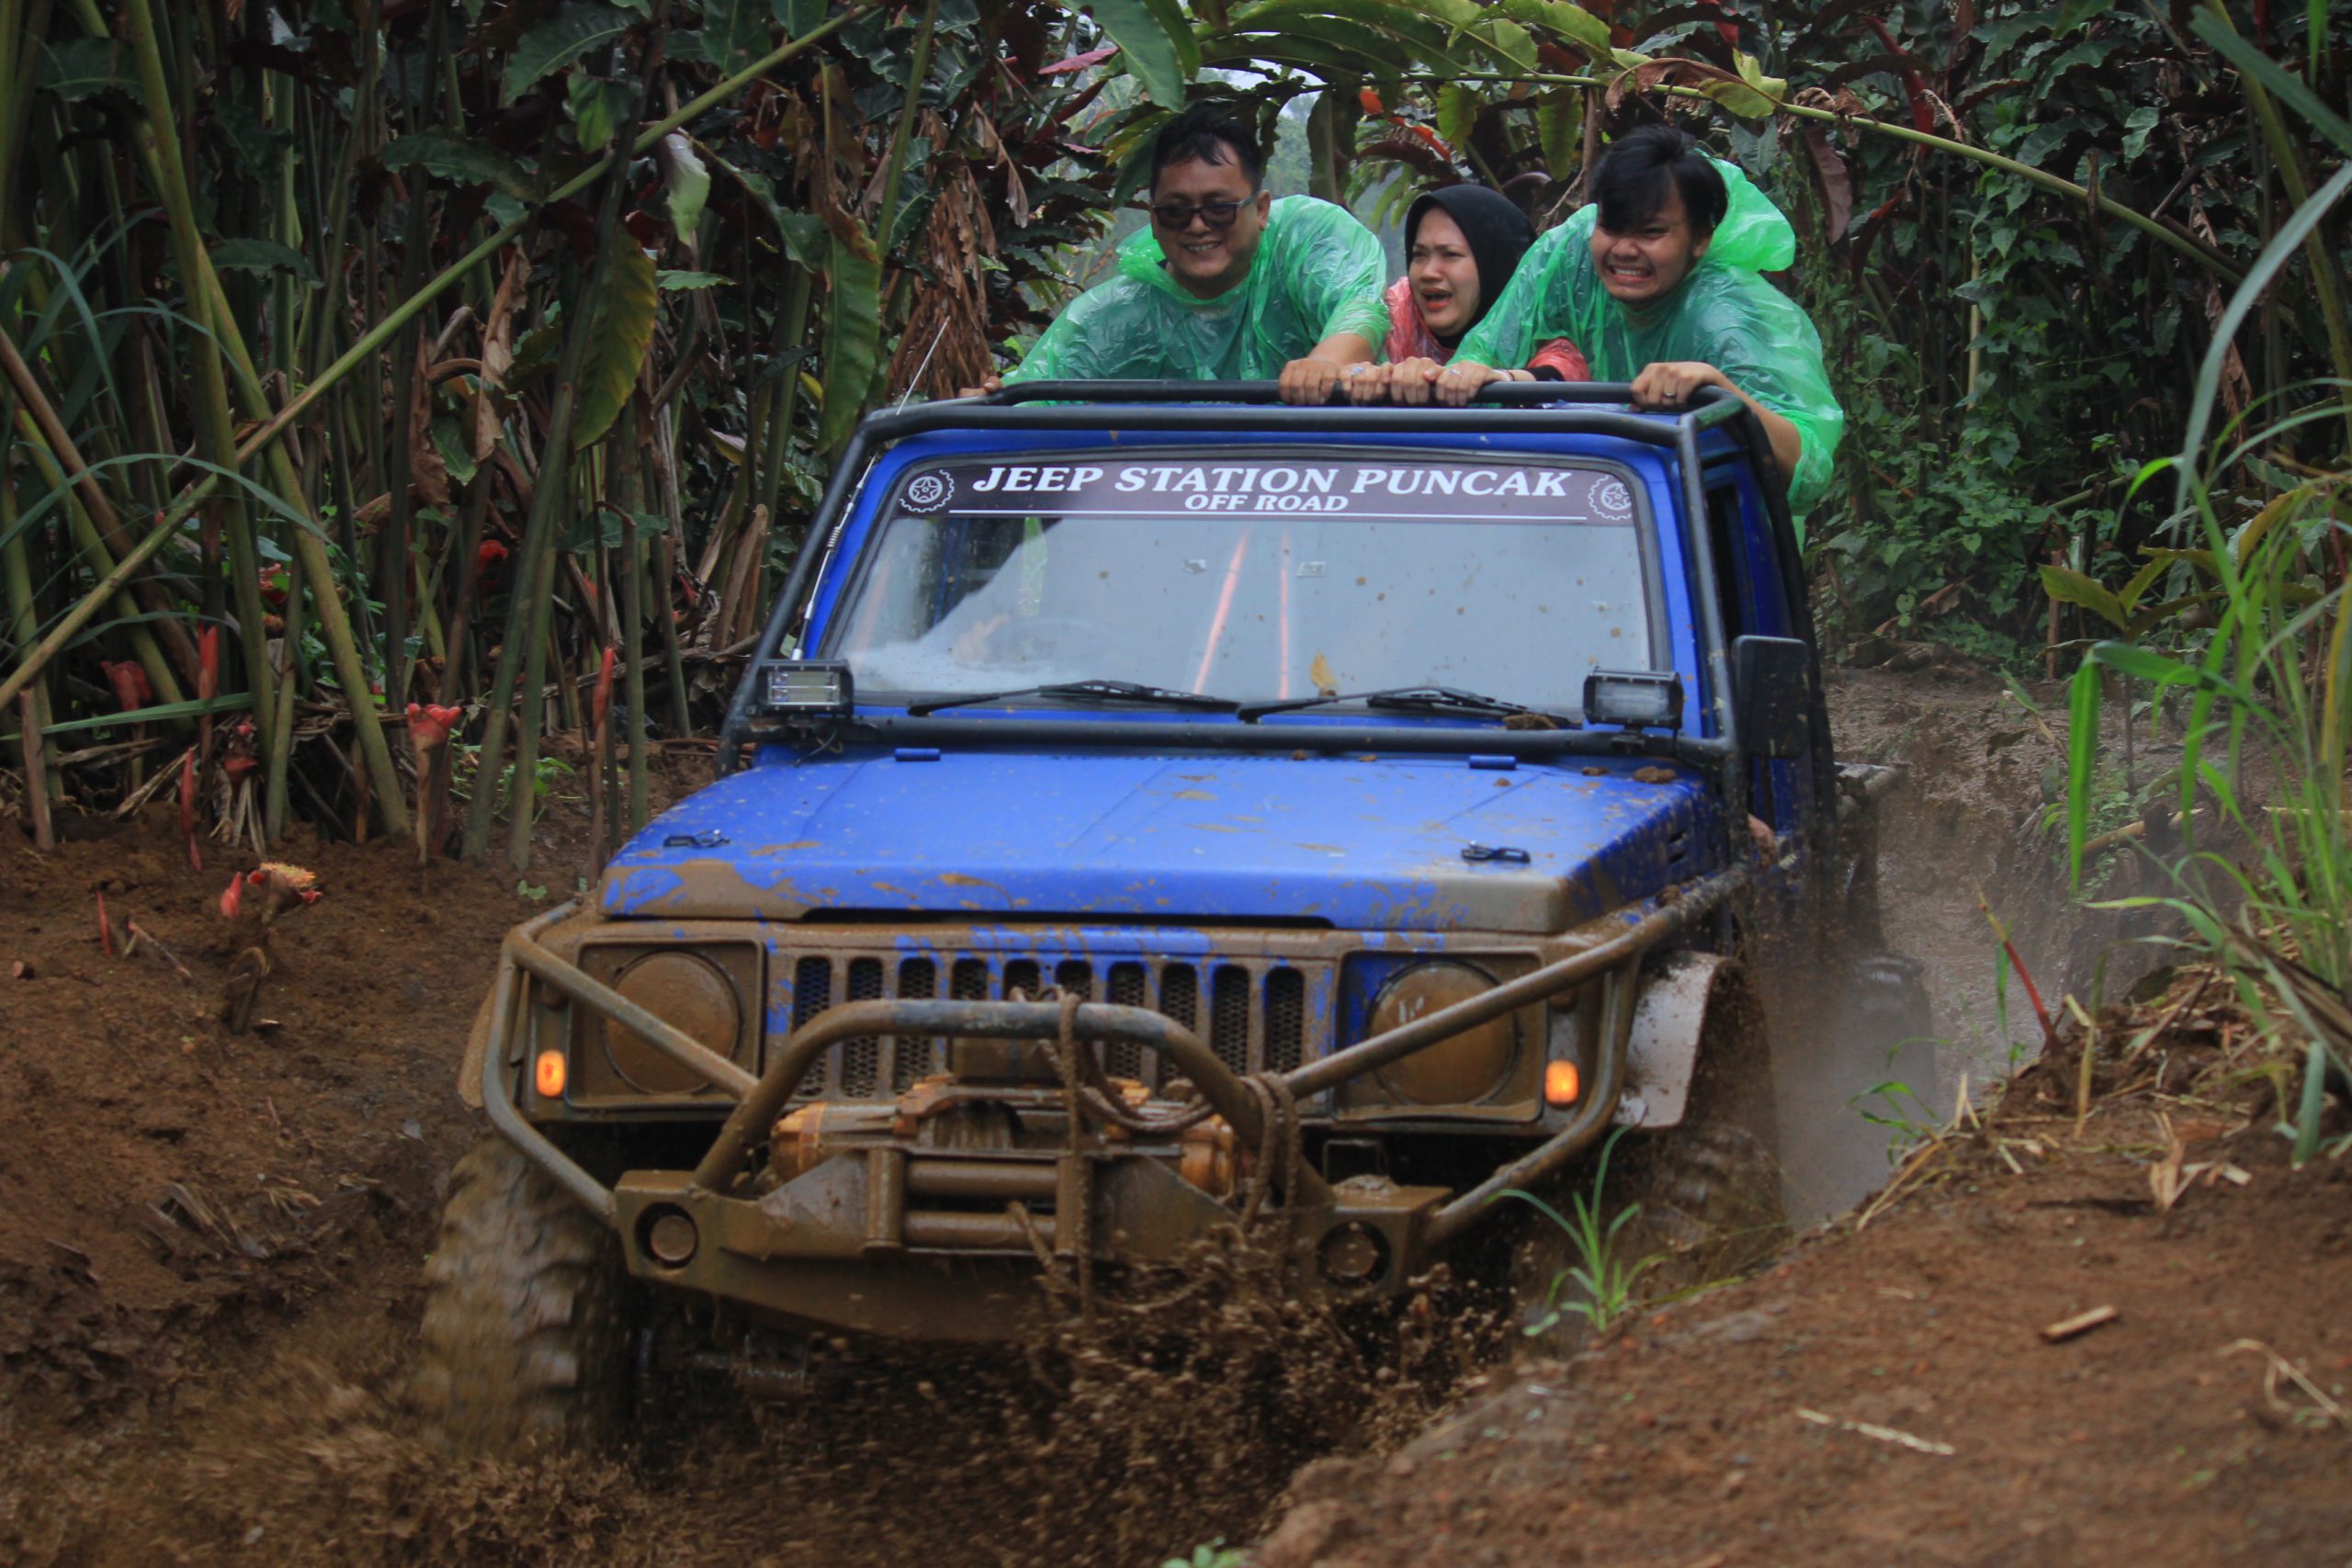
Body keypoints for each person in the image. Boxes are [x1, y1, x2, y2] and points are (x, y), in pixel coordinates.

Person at [1441, 125, 1845, 518]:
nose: (1625, 250)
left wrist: (1721, 394)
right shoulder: (1574, 252)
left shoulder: (1723, 321)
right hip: (1620, 506)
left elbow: (1808, 474)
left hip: (1716, 533)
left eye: (1651, 232)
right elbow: (1486, 352)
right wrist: (1451, 378)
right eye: (1612, 229)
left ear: (1701, 237)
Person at [967, 105, 1388, 405]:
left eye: (1219, 208)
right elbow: (1035, 399)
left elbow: (1359, 308)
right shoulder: (1114, 316)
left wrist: (1324, 364)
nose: (1197, 225)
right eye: (1176, 211)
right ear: (1153, 218)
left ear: (1260, 209)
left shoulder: (1306, 235)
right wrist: (991, 406)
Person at [1358, 185, 1589, 405]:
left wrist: (1499, 379)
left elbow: (1561, 375)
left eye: (1450, 254)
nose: (1427, 272)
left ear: (1495, 263)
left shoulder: (1542, 332)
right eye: (1419, 255)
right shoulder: (1391, 318)